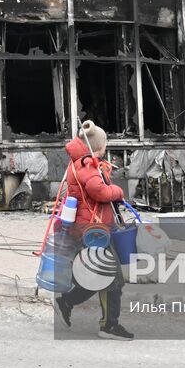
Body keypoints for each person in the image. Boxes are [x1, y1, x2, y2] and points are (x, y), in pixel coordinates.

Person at [54, 120, 134, 340]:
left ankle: (71, 304)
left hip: (92, 228)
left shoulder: (84, 163)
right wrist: (117, 190)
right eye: (105, 143)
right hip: (93, 230)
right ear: (99, 145)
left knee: (101, 276)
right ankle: (107, 325)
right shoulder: (87, 166)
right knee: (111, 278)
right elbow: (98, 191)